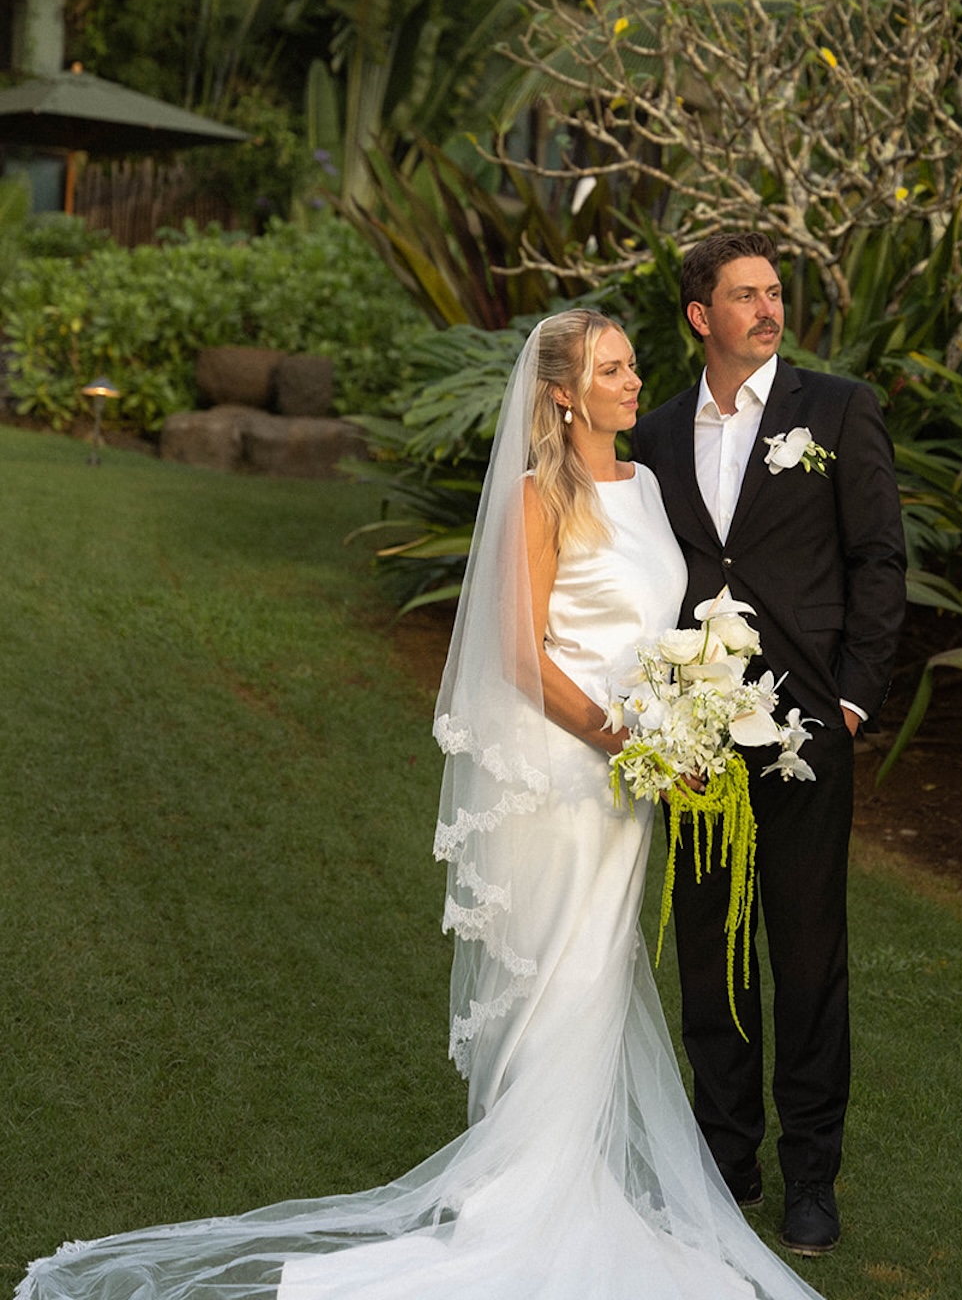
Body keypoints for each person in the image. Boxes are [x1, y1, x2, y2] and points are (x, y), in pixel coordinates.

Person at [19, 310, 826, 1300]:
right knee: (551, 982)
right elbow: (521, 659)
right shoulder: (539, 498)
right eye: (610, 368)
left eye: (630, 364)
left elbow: (660, 631)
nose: (632, 380)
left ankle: (566, 1192)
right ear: (563, 392)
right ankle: (520, 1212)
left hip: (627, 784)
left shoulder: (649, 488)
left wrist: (687, 713)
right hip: (559, 774)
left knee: (599, 981)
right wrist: (638, 740)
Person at [632, 233, 907, 1257]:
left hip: (805, 729)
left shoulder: (834, 409)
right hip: (693, 735)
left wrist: (851, 701)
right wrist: (662, 709)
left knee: (805, 951)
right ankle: (722, 1156)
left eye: (774, 292)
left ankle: (810, 1177)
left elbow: (879, 557)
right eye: (743, 295)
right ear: (699, 317)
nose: (766, 309)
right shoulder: (654, 434)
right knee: (708, 947)